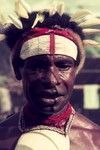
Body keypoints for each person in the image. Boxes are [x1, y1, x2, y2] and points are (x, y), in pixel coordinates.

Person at [0, 0, 100, 149]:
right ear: (18, 70)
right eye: (37, 66)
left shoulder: (94, 141)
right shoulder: (3, 137)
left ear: (75, 71)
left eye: (63, 66)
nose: (51, 80)